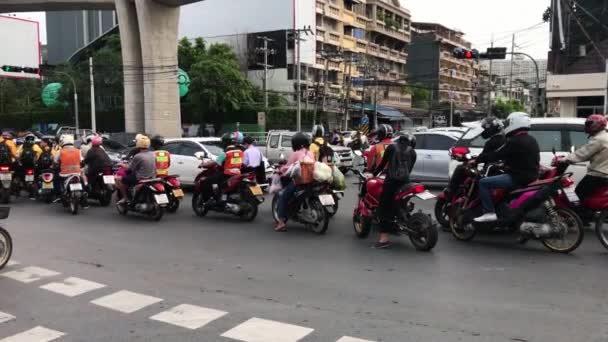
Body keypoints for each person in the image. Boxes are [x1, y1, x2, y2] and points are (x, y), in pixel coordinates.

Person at [474, 112, 540, 222]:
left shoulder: (514, 141)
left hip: (517, 177)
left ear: (514, 123)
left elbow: (497, 154)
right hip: (532, 175)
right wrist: (506, 165)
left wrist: (476, 160)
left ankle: (489, 212)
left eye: (508, 122)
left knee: (483, 183)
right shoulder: (531, 139)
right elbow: (519, 158)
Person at [372, 134, 417, 249]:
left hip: (391, 183)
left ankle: (384, 239)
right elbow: (410, 168)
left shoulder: (391, 148)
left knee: (383, 208)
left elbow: (382, 165)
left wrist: (373, 174)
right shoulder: (412, 152)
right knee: (402, 204)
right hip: (406, 183)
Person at [446, 117, 506, 200]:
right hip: (496, 171)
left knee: (461, 169)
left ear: (492, 128)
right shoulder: (503, 139)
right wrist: (476, 158)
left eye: (486, 128)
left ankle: (450, 192)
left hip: (490, 172)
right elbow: (487, 155)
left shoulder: (494, 141)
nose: (484, 131)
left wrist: (475, 160)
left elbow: (485, 156)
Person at [563, 114, 608, 205]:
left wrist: (564, 159)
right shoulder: (605, 137)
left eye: (588, 124)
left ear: (596, 125)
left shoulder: (599, 139)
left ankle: (580, 216)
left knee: (577, 195)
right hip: (604, 174)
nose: (586, 127)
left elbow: (582, 154)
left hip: (598, 175)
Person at [275, 132, 314, 232]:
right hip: (311, 181)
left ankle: (281, 223)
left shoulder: (296, 154)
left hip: (300, 182)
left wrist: (279, 170)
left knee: (283, 196)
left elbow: (287, 167)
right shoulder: (310, 153)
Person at [203, 132, 245, 201]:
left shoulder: (226, 152)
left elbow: (215, 163)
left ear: (225, 142)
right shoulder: (240, 151)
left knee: (207, 181)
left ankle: (207, 200)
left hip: (227, 174)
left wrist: (204, 164)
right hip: (238, 173)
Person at [115, 135, 156, 204]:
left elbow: (130, 168)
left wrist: (121, 165)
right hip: (152, 177)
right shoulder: (153, 154)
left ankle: (125, 198)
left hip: (140, 178)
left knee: (119, 179)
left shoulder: (138, 155)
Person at [53, 134, 88, 208]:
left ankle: (59, 195)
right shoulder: (78, 151)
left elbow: (55, 161)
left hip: (64, 173)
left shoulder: (60, 151)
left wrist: (56, 164)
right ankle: (84, 199)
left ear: (62, 142)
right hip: (77, 173)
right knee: (83, 183)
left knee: (56, 180)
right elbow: (82, 161)